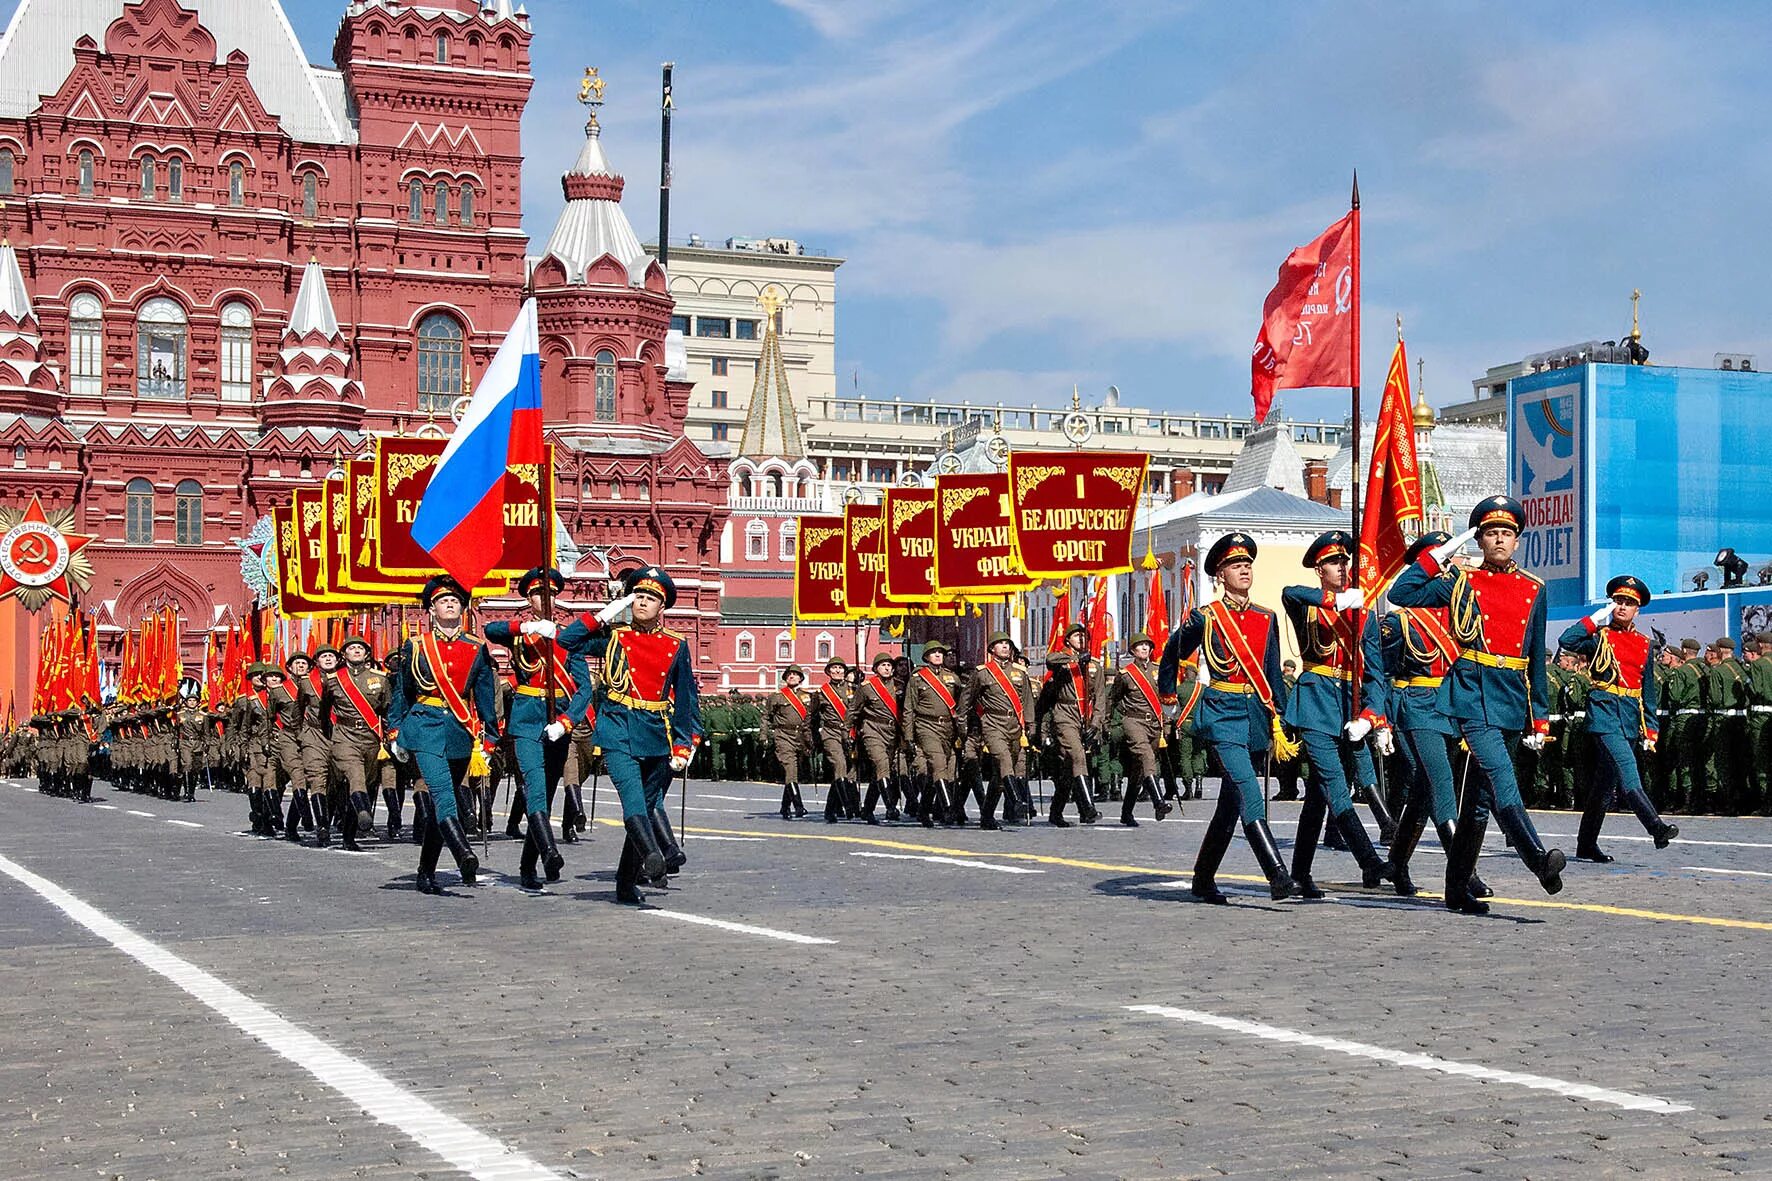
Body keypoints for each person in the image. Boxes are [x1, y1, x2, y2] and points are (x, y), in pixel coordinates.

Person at [1389, 496, 1567, 915]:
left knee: (1479, 802)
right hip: (1471, 692)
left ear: (1517, 541)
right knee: (1502, 778)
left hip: (1509, 696)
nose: (1499, 539)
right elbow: (1403, 592)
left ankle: (1456, 891)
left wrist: (1539, 717)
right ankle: (1539, 861)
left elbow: (1536, 659)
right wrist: (1439, 556)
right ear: (1481, 540)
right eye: (1491, 533)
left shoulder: (1534, 588)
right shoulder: (1461, 580)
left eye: (1506, 533)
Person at [1157, 532, 1295, 902]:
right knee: (1250, 791)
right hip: (1222, 712)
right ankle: (1277, 875)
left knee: (1230, 805)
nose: (1245, 570)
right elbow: (1172, 653)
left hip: (1255, 715)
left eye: (1248, 564)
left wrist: (1284, 716)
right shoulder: (1206, 619)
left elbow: (1270, 673)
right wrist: (1168, 694)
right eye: (1236, 565)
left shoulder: (1267, 617)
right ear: (1221, 574)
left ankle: (1203, 878)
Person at [557, 565, 701, 904]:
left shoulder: (675, 645)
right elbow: (567, 641)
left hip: (657, 734)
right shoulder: (614, 636)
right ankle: (653, 856)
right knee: (633, 800)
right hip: (617, 728)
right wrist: (607, 613)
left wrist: (684, 743)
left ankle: (624, 882)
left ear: (662, 607)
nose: (643, 603)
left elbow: (685, 700)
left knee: (649, 803)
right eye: (638, 596)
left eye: (651, 598)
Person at [1366, 532, 1489, 899]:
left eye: (1449, 561)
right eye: (1439, 561)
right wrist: (1382, 721)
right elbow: (1380, 675)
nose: (1447, 568)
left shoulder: (1461, 613)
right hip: (1417, 705)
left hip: (1454, 705)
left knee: (1423, 790)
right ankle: (1465, 871)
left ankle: (1397, 864)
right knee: (1441, 783)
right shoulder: (1399, 622)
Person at [1282, 530, 1395, 892]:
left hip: (1349, 705)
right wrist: (1335, 601)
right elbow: (1289, 593)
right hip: (1315, 704)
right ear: (1320, 569)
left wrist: (1371, 715)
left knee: (1318, 795)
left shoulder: (1366, 615)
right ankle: (1370, 861)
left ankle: (1299, 872)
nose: (1343, 567)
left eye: (1345, 560)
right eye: (1334, 562)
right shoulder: (1312, 606)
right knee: (1335, 785)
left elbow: (1375, 674)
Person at [388, 575, 499, 894]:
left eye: (455, 600)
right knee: (443, 794)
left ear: (463, 608)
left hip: (460, 731)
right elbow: (402, 691)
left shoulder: (476, 648)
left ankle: (425, 870)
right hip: (424, 727)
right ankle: (464, 853)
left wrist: (490, 737)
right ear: (432, 609)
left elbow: (485, 693)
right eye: (442, 600)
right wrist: (395, 728)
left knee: (440, 806)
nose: (449, 603)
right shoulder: (417, 646)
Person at [484, 566, 592, 890]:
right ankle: (549, 851)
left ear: (557, 599)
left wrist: (567, 722)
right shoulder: (520, 634)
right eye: (536, 594)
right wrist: (528, 627)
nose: (544, 599)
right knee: (533, 786)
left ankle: (527, 865)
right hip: (527, 718)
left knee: (546, 790)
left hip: (558, 719)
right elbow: (492, 630)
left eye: (550, 594)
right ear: (528, 599)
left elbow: (584, 689)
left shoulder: (569, 638)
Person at [1558, 576, 1679, 859]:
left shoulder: (1644, 643)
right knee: (1627, 772)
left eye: (1629, 603)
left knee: (1603, 786)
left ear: (1638, 609)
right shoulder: (1600, 637)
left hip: (1628, 718)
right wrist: (1594, 619)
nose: (1623, 607)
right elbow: (1567, 640)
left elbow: (1647, 690)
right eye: (1619, 602)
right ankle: (1656, 828)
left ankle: (1586, 844)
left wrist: (1651, 728)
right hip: (1603, 716)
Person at [321, 635, 393, 852]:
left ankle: (349, 836)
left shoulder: (380, 679)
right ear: (344, 654)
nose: (356, 651)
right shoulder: (333, 680)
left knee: (367, 782)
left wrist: (389, 736)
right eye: (352, 648)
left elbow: (387, 710)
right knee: (355, 775)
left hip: (371, 738)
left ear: (367, 654)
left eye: (360, 648)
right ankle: (364, 812)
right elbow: (324, 712)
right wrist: (331, 736)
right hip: (345, 736)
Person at [965, 632, 1038, 829]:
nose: (1005, 647)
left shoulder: (1020, 672)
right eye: (1000, 644)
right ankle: (1017, 801)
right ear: (991, 650)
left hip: (1014, 725)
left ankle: (987, 815)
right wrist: (962, 724)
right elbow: (967, 699)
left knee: (1000, 775)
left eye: (1007, 644)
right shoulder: (982, 673)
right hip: (992, 722)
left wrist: (1031, 725)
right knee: (1003, 758)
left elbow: (1028, 701)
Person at [1035, 623, 1104, 827]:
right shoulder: (1062, 661)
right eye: (1076, 636)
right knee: (1077, 756)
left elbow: (1100, 697)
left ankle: (1056, 812)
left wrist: (1096, 723)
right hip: (1064, 715)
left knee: (1069, 769)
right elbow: (1050, 660)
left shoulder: (1094, 666)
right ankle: (1089, 807)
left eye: (1084, 636)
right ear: (1068, 640)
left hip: (1085, 717)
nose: (1081, 639)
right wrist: (1075, 659)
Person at [1109, 633, 1174, 826]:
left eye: (1147, 645)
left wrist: (1167, 724)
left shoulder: (1158, 670)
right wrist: (1109, 723)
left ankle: (1126, 812)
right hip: (1134, 722)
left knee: (1139, 771)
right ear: (1133, 651)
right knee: (1147, 757)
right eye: (1140, 646)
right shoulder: (1126, 674)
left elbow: (1167, 698)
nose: (1145, 648)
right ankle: (1158, 801)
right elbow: (1114, 699)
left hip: (1155, 724)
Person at [904, 640, 965, 827]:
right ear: (926, 657)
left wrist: (962, 731)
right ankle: (948, 808)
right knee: (938, 763)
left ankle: (924, 810)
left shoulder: (953, 678)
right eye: (934, 653)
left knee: (937, 772)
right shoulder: (917, 679)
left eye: (940, 652)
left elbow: (960, 706)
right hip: (926, 726)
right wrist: (908, 737)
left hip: (947, 729)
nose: (938, 655)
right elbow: (909, 709)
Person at [856, 652, 906, 823]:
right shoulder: (867, 687)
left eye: (889, 665)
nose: (887, 668)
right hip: (872, 730)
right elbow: (854, 711)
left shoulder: (899, 686)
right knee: (882, 764)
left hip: (891, 733)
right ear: (876, 668)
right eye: (883, 665)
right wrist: (847, 732)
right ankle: (890, 807)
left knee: (880, 772)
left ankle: (867, 809)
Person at [809, 658, 859, 823]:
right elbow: (812, 717)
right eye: (834, 668)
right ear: (829, 672)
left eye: (840, 668)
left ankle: (830, 809)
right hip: (831, 733)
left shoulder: (854, 689)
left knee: (849, 772)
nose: (837, 671)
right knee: (840, 765)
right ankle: (848, 807)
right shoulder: (821, 693)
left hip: (849, 733)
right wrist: (813, 739)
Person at [760, 666, 811, 818]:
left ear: (801, 678)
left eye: (795, 675)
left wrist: (810, 741)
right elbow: (765, 717)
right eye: (789, 675)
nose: (792, 677)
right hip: (783, 735)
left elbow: (810, 720)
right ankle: (799, 806)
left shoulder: (807, 697)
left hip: (800, 737)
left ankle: (784, 807)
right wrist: (764, 735)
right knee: (790, 769)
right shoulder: (777, 697)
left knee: (794, 773)